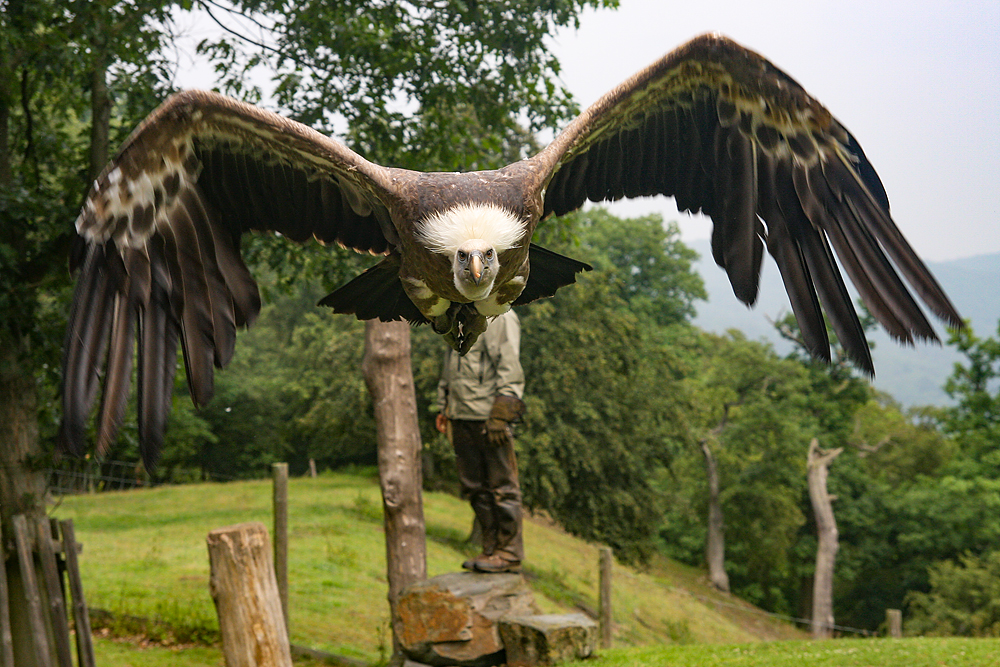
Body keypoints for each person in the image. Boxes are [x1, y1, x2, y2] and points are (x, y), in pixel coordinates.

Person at [435, 310, 526, 573]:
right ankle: (490, 549)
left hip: (488, 418)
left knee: (502, 487)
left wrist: (501, 415)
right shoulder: (458, 314)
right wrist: (445, 407)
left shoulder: (501, 316)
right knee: (473, 487)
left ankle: (508, 553)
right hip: (460, 414)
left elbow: (509, 366)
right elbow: (450, 365)